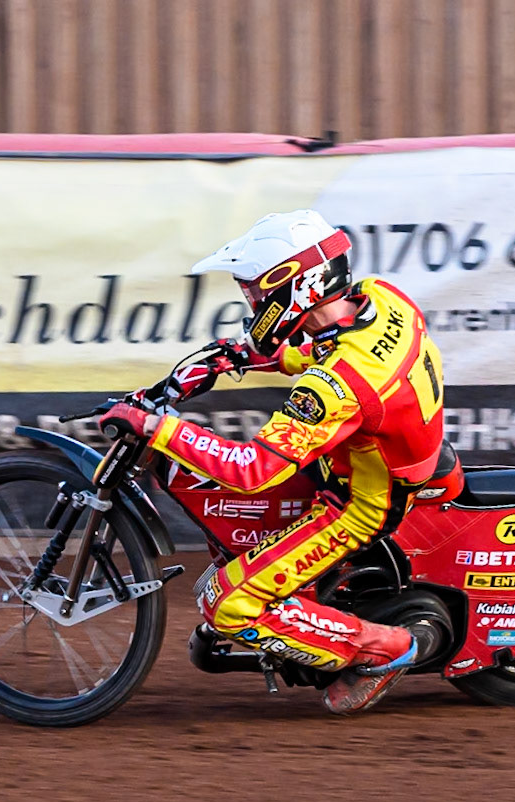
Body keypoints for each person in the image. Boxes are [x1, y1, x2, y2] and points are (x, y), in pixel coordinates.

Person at [99, 210, 461, 715]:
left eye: (255, 292)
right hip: (379, 456)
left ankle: (386, 649)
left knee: (226, 603)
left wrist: (157, 428)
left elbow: (252, 470)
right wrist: (237, 357)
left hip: (360, 503)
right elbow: (331, 350)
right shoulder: (381, 297)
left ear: (295, 286)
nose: (252, 303)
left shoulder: (337, 386)